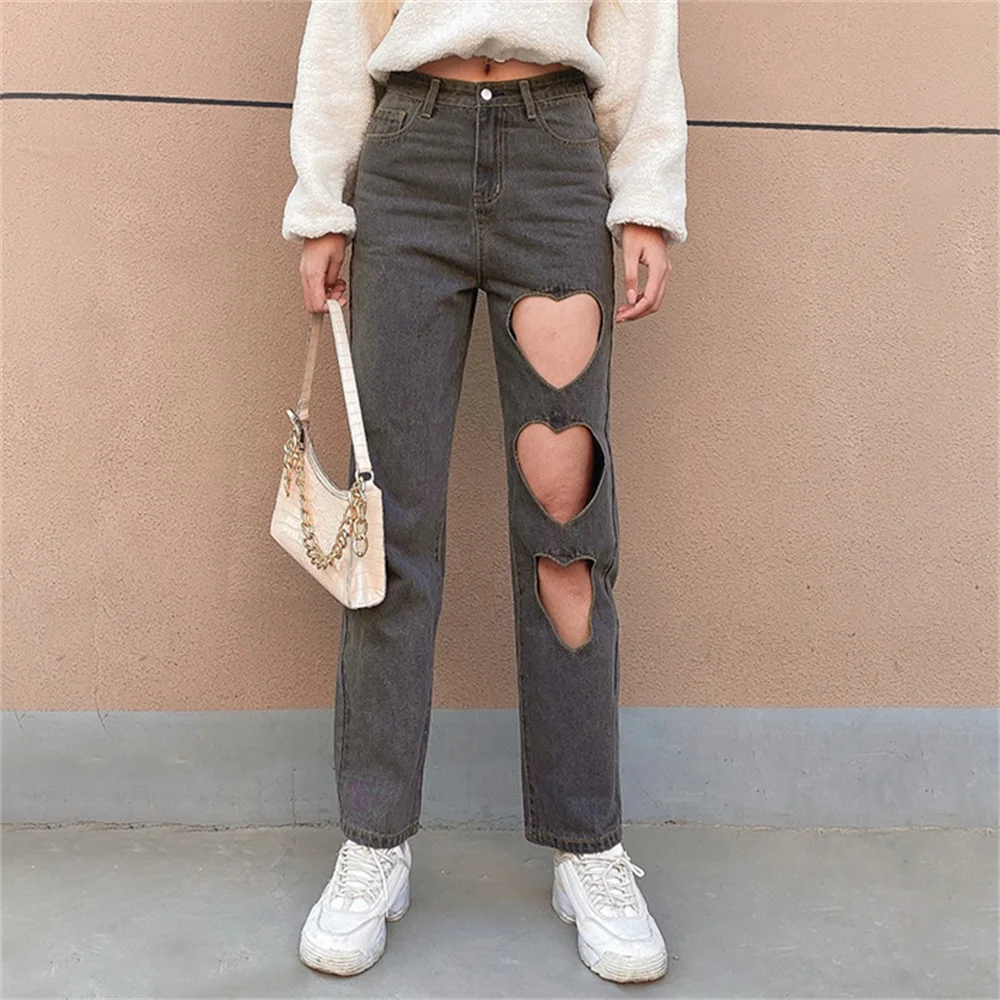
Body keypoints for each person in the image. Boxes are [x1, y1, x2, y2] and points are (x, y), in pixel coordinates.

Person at [281, 0, 687, 984]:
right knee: (391, 526)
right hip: (407, 154)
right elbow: (343, 19)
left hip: (555, 158)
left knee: (566, 530)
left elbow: (639, 20)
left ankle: (588, 845)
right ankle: (374, 839)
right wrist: (322, 203)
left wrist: (646, 195)